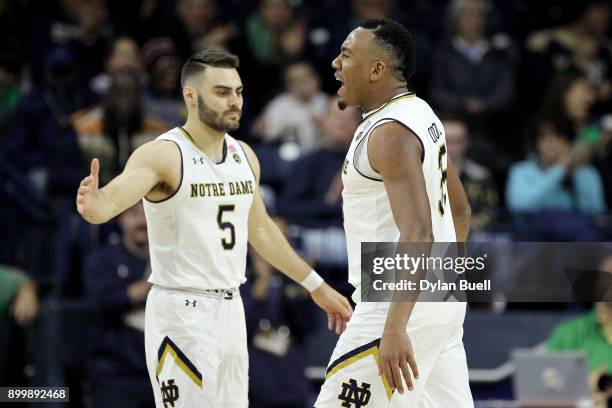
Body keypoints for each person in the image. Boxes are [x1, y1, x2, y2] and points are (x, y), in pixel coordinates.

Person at [75, 48, 352, 408]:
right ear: (191, 96)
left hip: (231, 308)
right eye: (221, 92)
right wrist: (94, 205)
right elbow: (110, 202)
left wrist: (316, 285)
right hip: (182, 310)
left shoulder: (244, 155)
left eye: (237, 91)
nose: (234, 101)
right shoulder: (163, 154)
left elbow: (263, 231)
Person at [315, 18, 473, 407]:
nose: (336, 63)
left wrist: (397, 324)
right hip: (440, 298)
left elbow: (419, 233)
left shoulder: (389, 131)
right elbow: (461, 210)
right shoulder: (422, 114)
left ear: (376, 69)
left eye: (346, 55)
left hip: (394, 298)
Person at [84, 202, 154, 408]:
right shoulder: (103, 259)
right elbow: (100, 302)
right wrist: (141, 290)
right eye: (134, 214)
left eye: (148, 214)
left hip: (158, 374)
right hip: (115, 376)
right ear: (121, 218)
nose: (142, 221)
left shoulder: (172, 261)